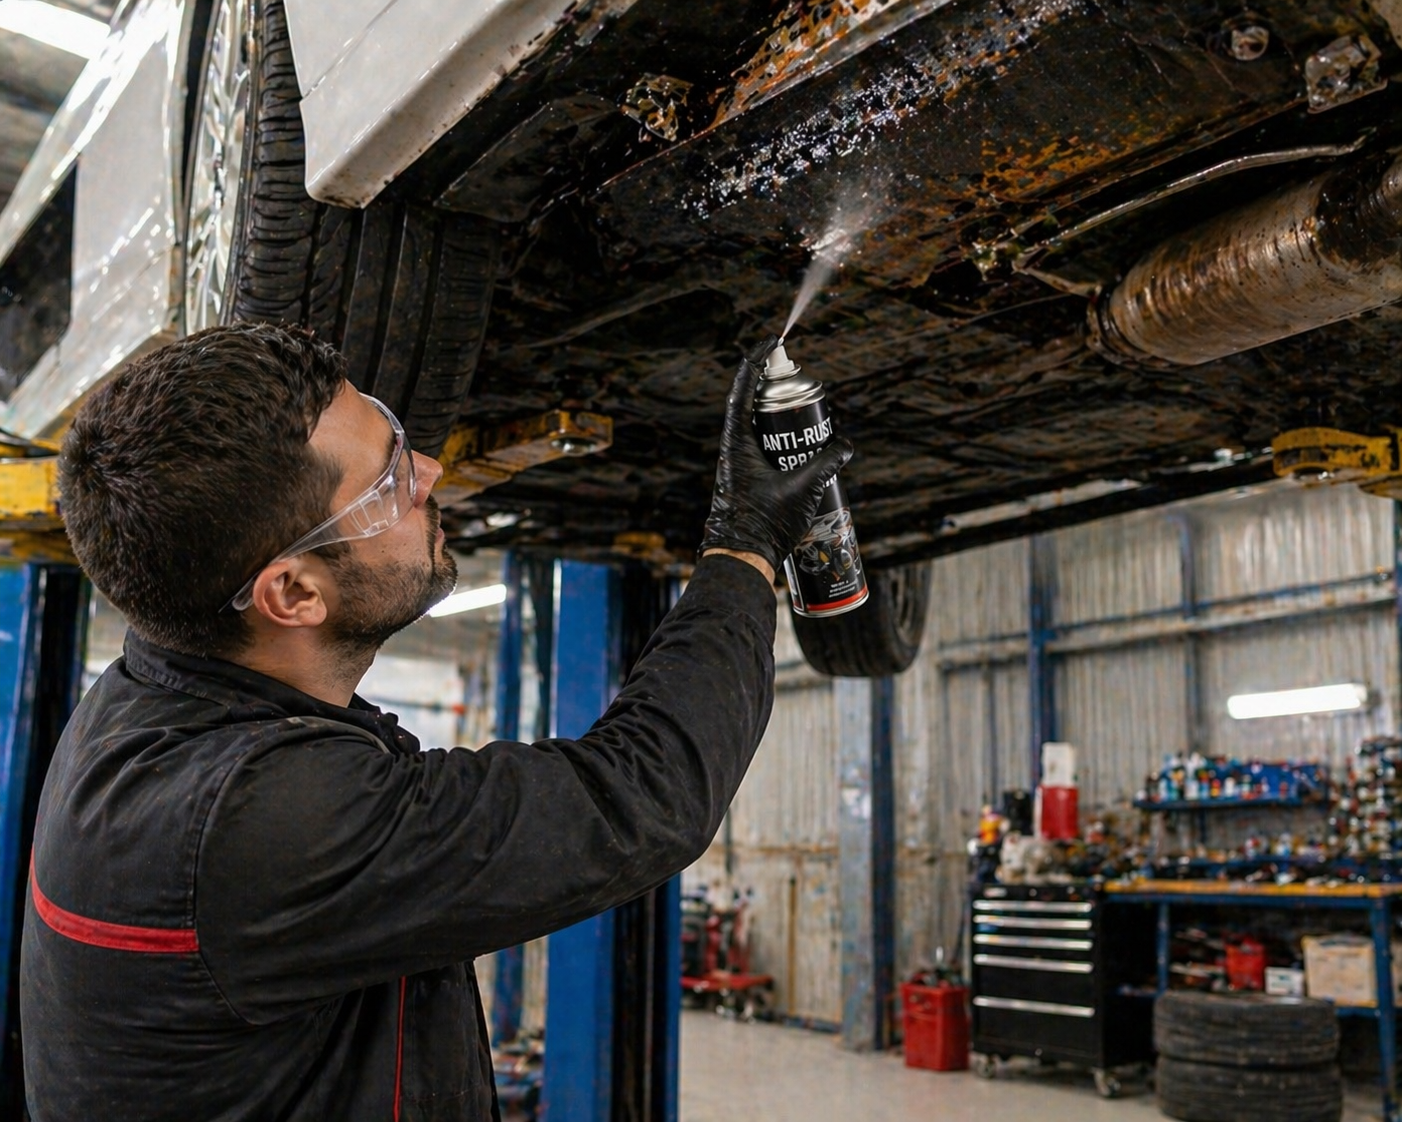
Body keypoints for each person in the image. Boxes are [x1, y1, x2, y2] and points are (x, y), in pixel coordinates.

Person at [20, 323, 851, 1121]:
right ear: (294, 593)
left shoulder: (150, 693)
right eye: (385, 485)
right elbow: (639, 797)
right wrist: (745, 541)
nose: (426, 473)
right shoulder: (255, 822)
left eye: (393, 435)